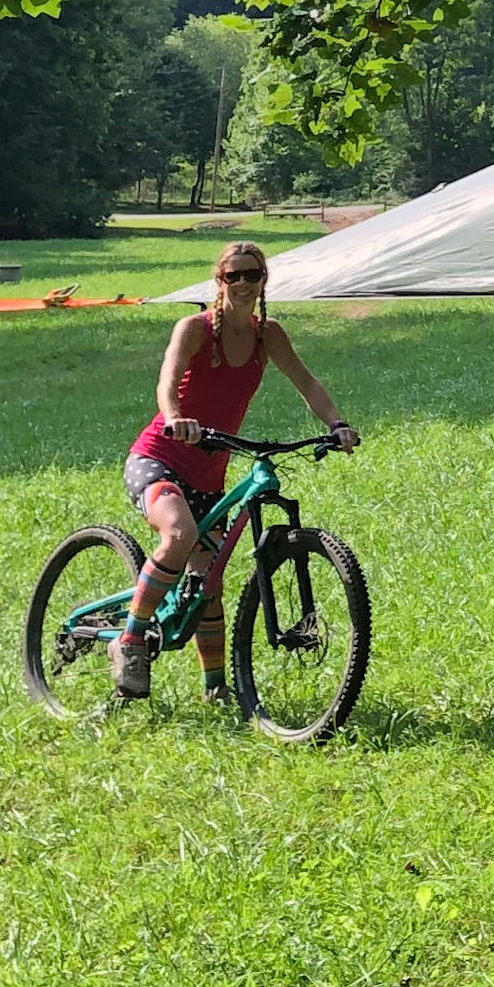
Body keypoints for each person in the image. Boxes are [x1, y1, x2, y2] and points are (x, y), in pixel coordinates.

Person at [119, 240, 355, 704]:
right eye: (234, 276)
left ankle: (214, 688)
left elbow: (306, 382)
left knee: (209, 581)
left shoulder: (270, 335)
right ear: (219, 280)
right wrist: (174, 417)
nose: (243, 284)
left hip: (210, 474)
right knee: (179, 534)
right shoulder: (194, 329)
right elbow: (167, 382)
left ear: (264, 279)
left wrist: (337, 424)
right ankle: (129, 642)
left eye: (253, 275)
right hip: (159, 458)